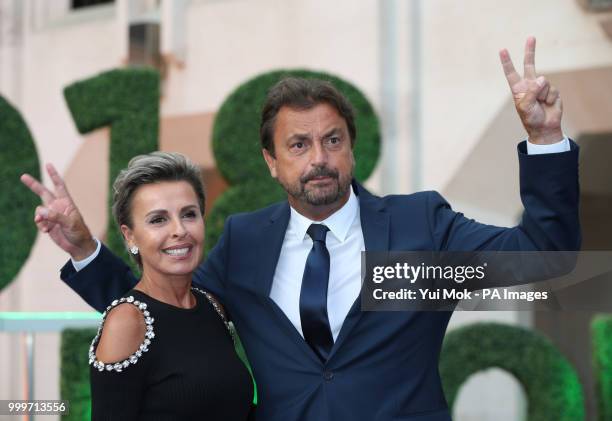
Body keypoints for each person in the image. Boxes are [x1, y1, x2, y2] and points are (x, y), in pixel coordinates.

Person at [23, 38, 580, 420]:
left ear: (352, 150)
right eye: (299, 144)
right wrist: (84, 250)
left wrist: (546, 141)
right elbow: (163, 310)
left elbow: (543, 259)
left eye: (332, 140)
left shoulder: (421, 224)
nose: (319, 158)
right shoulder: (245, 241)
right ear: (271, 161)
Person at [22, 153, 254, 420]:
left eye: (189, 214)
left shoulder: (212, 306)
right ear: (129, 235)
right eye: (158, 219)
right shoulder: (126, 321)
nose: (179, 230)